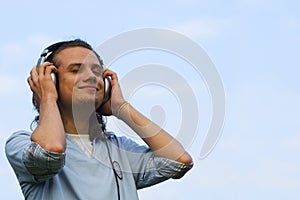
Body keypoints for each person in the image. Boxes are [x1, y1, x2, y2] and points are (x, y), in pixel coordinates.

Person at [5, 39, 193, 200]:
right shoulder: (20, 143)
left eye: (96, 71)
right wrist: (47, 97)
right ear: (51, 80)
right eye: (76, 70)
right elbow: (50, 153)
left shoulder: (118, 149)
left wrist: (121, 108)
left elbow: (178, 161)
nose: (90, 77)